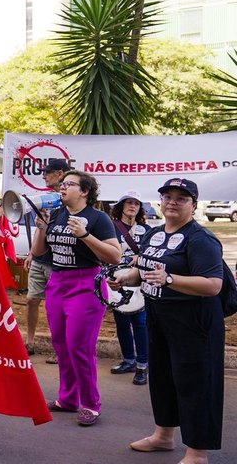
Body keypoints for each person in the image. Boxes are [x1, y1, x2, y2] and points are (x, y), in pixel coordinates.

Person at [109, 178, 224, 464]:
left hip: (193, 322)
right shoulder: (155, 234)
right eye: (167, 196)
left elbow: (212, 285)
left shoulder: (201, 239)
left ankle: (198, 453)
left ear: (194, 205)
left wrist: (170, 279)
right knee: (163, 379)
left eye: (181, 198)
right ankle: (163, 436)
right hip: (160, 316)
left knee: (195, 384)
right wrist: (126, 276)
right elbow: (146, 272)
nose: (172, 202)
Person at [30, 170, 121, 427]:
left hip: (86, 284)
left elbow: (114, 256)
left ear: (85, 191)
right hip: (57, 283)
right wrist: (42, 230)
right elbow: (38, 253)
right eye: (62, 184)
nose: (63, 188)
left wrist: (85, 235)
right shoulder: (57, 214)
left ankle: (91, 404)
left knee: (79, 347)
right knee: (61, 344)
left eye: (69, 184)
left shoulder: (98, 218)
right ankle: (68, 399)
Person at [22, 158, 70, 362]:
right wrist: (32, 253)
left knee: (56, 306)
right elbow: (40, 228)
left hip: (58, 263)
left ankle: (59, 347)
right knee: (32, 299)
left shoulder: (70, 201)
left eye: (47, 172)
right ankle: (30, 341)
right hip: (40, 260)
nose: (44, 176)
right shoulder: (47, 199)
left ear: (60, 174)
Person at [108, 190, 150, 386]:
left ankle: (143, 364)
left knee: (141, 323)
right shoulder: (111, 227)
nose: (133, 206)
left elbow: (152, 255)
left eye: (137, 203)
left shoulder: (148, 229)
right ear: (121, 206)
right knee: (122, 323)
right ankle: (129, 360)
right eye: (129, 202)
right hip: (117, 280)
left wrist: (139, 258)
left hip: (141, 281)